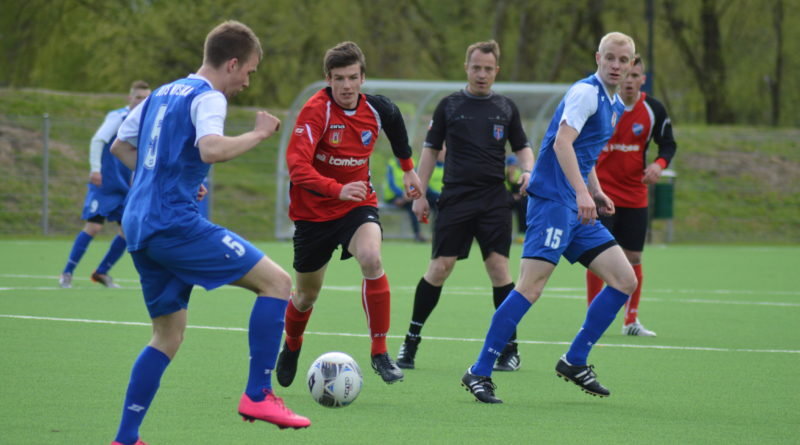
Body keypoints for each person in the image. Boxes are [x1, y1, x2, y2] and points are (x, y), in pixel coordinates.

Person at [108, 21, 310, 444]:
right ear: (232, 63)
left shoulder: (162, 92)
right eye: (248, 71)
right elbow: (211, 149)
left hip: (138, 224)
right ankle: (258, 394)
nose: (247, 82)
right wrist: (258, 133)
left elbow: (121, 146)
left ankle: (126, 437)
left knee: (167, 334)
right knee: (277, 283)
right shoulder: (209, 96)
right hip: (172, 223)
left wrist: (172, 177)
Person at [461, 32, 637, 404]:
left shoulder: (615, 103)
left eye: (624, 60)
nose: (616, 65)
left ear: (632, 64)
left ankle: (575, 360)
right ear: (598, 58)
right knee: (530, 288)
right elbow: (562, 142)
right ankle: (479, 370)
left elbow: (584, 151)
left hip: (576, 205)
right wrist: (582, 193)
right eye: (610, 58)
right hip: (553, 203)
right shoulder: (586, 93)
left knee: (624, 280)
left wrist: (595, 189)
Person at [275, 41, 423, 388]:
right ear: (328, 79)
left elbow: (395, 123)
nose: (346, 86)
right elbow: (297, 167)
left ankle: (380, 352)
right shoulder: (316, 111)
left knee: (371, 257)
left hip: (356, 205)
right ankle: (292, 344)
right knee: (306, 296)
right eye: (339, 78)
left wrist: (408, 169)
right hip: (313, 213)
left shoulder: (376, 108)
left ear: (363, 78)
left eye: (353, 77)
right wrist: (336, 188)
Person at [396, 40, 534, 372]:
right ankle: (410, 342)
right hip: (455, 198)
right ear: (466, 68)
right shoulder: (449, 105)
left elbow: (523, 146)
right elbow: (430, 150)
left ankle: (510, 349)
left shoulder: (506, 108)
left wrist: (528, 170)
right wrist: (419, 196)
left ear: (496, 71)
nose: (481, 74)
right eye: (476, 68)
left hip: (494, 200)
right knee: (439, 268)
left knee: (499, 270)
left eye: (488, 69)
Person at [586, 55, 677, 337]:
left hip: (635, 194)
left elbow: (668, 145)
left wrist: (658, 165)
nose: (629, 81)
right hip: (602, 194)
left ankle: (631, 321)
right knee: (598, 257)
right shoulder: (601, 104)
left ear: (642, 80)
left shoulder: (653, 109)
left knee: (634, 256)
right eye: (626, 74)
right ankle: (592, 319)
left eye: (635, 76)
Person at [58, 80, 151, 289]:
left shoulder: (147, 121)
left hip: (126, 187)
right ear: (130, 98)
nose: (141, 102)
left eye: (146, 99)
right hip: (106, 183)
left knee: (127, 231)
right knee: (93, 226)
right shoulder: (118, 116)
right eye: (138, 97)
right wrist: (95, 169)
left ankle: (101, 272)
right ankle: (67, 272)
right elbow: (98, 140)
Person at [384, 147, 444, 242]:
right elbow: (391, 184)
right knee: (411, 205)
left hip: (409, 195)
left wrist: (409, 193)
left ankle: (436, 234)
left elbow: (415, 181)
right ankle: (418, 234)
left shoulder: (413, 163)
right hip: (394, 196)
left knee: (437, 204)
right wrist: (403, 194)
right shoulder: (392, 164)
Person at [505, 154, 528, 243]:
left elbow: (522, 187)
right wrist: (511, 196)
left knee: (523, 209)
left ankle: (522, 235)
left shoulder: (519, 174)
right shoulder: (503, 174)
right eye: (510, 166)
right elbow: (504, 188)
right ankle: (506, 234)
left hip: (519, 199)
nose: (512, 168)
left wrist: (518, 195)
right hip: (507, 198)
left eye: (514, 165)